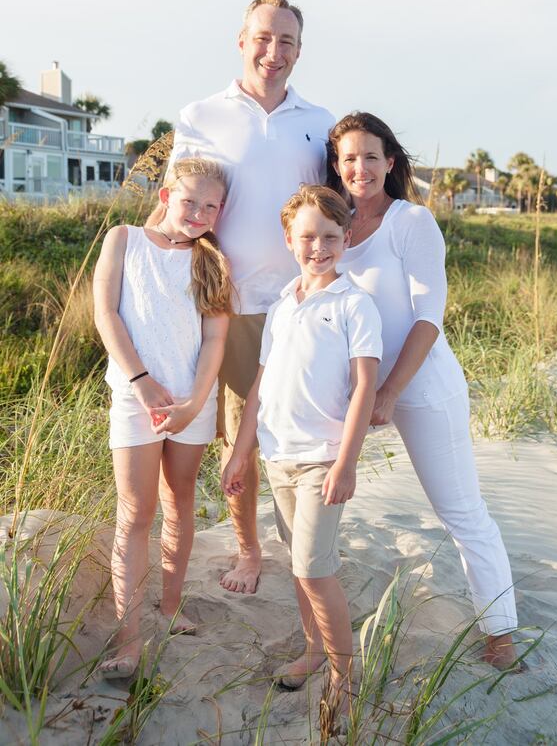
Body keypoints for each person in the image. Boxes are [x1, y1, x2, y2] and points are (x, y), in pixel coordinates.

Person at [326, 112, 520, 670]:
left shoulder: (411, 221)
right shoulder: (333, 225)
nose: (358, 168)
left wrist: (389, 392)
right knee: (319, 491)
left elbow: (427, 318)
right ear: (336, 166)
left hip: (420, 383)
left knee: (461, 512)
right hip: (357, 386)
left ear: (389, 162)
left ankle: (502, 637)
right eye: (348, 158)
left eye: (369, 156)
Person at [169, 0, 334, 594]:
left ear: (298, 50)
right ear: (242, 42)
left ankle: (305, 553)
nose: (274, 51)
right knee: (237, 436)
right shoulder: (199, 116)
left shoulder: (319, 123)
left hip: (297, 303)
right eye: (263, 38)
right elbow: (178, 210)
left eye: (286, 40)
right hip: (225, 306)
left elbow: (334, 213)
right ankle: (247, 549)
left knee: (295, 434)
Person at [222, 185, 381, 718]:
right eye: (308, 237)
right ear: (289, 240)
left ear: (347, 237)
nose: (319, 247)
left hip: (323, 459)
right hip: (278, 455)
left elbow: (364, 389)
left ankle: (343, 670)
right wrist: (241, 453)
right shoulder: (282, 304)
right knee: (297, 564)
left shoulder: (356, 304)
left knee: (314, 568)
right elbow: (259, 388)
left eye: (330, 237)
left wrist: (347, 463)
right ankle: (314, 649)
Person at [93, 157, 232, 677]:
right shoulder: (124, 239)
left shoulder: (213, 260)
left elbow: (215, 337)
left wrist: (195, 403)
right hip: (137, 397)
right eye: (189, 200)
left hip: (192, 402)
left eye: (210, 206)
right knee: (135, 513)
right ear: (166, 195)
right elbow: (106, 312)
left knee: (181, 500)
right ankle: (129, 640)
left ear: (221, 211)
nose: (197, 212)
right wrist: (142, 382)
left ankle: (171, 608)